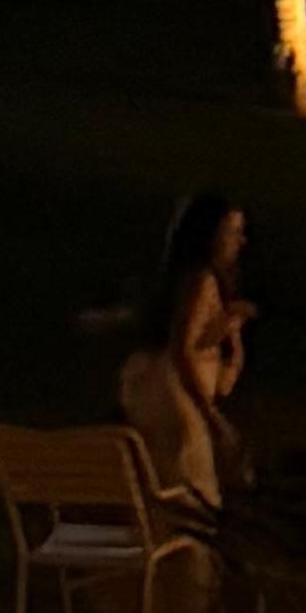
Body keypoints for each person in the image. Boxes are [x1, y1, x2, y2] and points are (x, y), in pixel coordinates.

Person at [118, 188, 254, 520]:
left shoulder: (182, 281)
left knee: (167, 488)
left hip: (158, 394)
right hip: (177, 402)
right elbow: (183, 349)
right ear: (210, 236)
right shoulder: (201, 280)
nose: (241, 241)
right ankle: (189, 567)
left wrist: (225, 330)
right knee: (192, 498)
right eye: (232, 232)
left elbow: (191, 341)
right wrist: (211, 417)